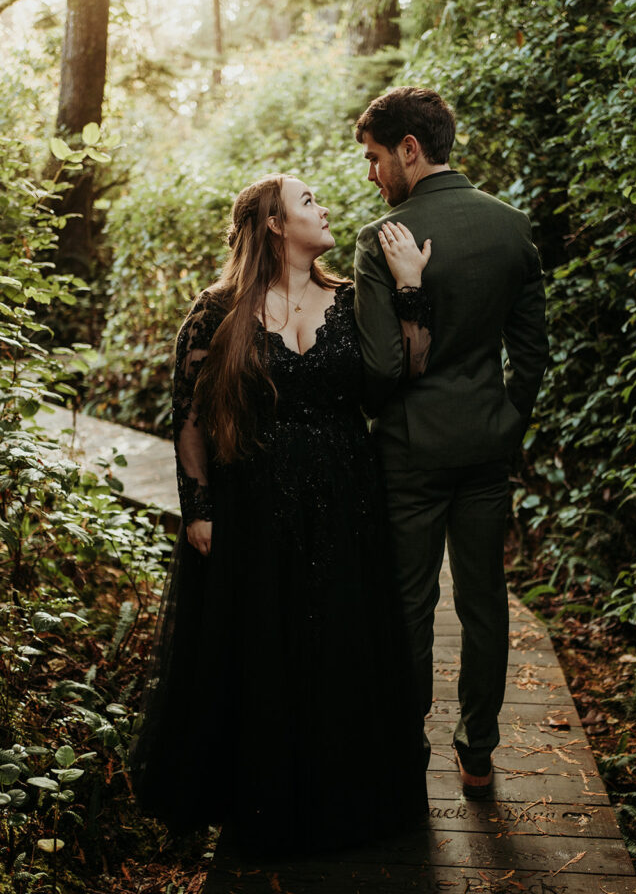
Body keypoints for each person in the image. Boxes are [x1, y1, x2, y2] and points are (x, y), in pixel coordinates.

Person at [128, 173, 432, 852]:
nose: (322, 210)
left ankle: (341, 800)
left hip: (346, 498)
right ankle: (258, 802)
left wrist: (410, 286)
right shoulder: (217, 308)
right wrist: (197, 508)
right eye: (308, 202)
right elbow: (189, 417)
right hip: (252, 500)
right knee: (259, 643)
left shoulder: (353, 299)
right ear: (272, 223)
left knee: (339, 642)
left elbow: (409, 368)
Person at [353, 86, 549, 799]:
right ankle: (477, 751)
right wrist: (506, 421)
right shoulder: (509, 226)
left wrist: (373, 414)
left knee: (405, 604)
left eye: (375, 159)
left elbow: (378, 367)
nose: (371, 175)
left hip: (407, 451)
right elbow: (530, 352)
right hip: (485, 449)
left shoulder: (382, 240)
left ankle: (406, 750)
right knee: (482, 599)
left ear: (409, 148)